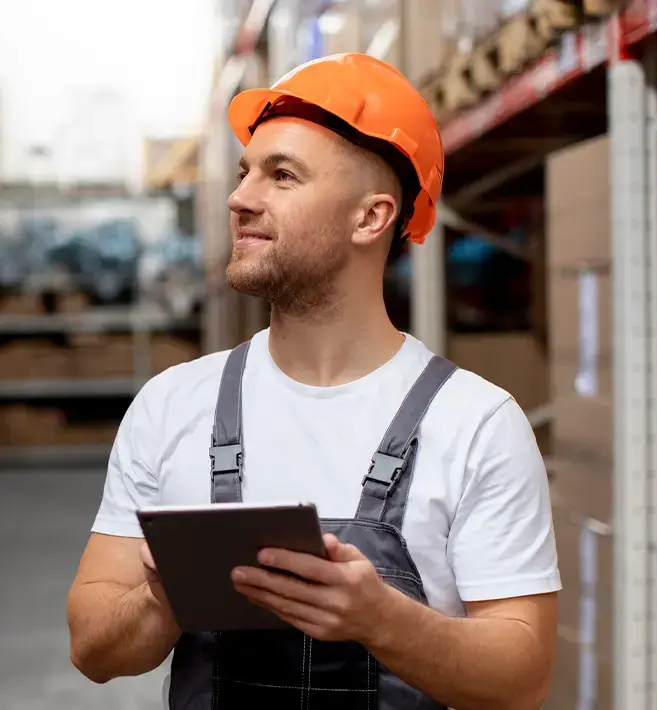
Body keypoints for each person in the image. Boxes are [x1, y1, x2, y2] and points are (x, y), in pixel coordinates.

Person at [66, 53, 561, 710]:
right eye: (245, 172)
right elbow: (92, 649)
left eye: (283, 176)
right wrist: (162, 598)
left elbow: (522, 680)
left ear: (370, 218)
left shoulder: (474, 424)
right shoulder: (173, 405)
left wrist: (383, 620)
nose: (241, 198)